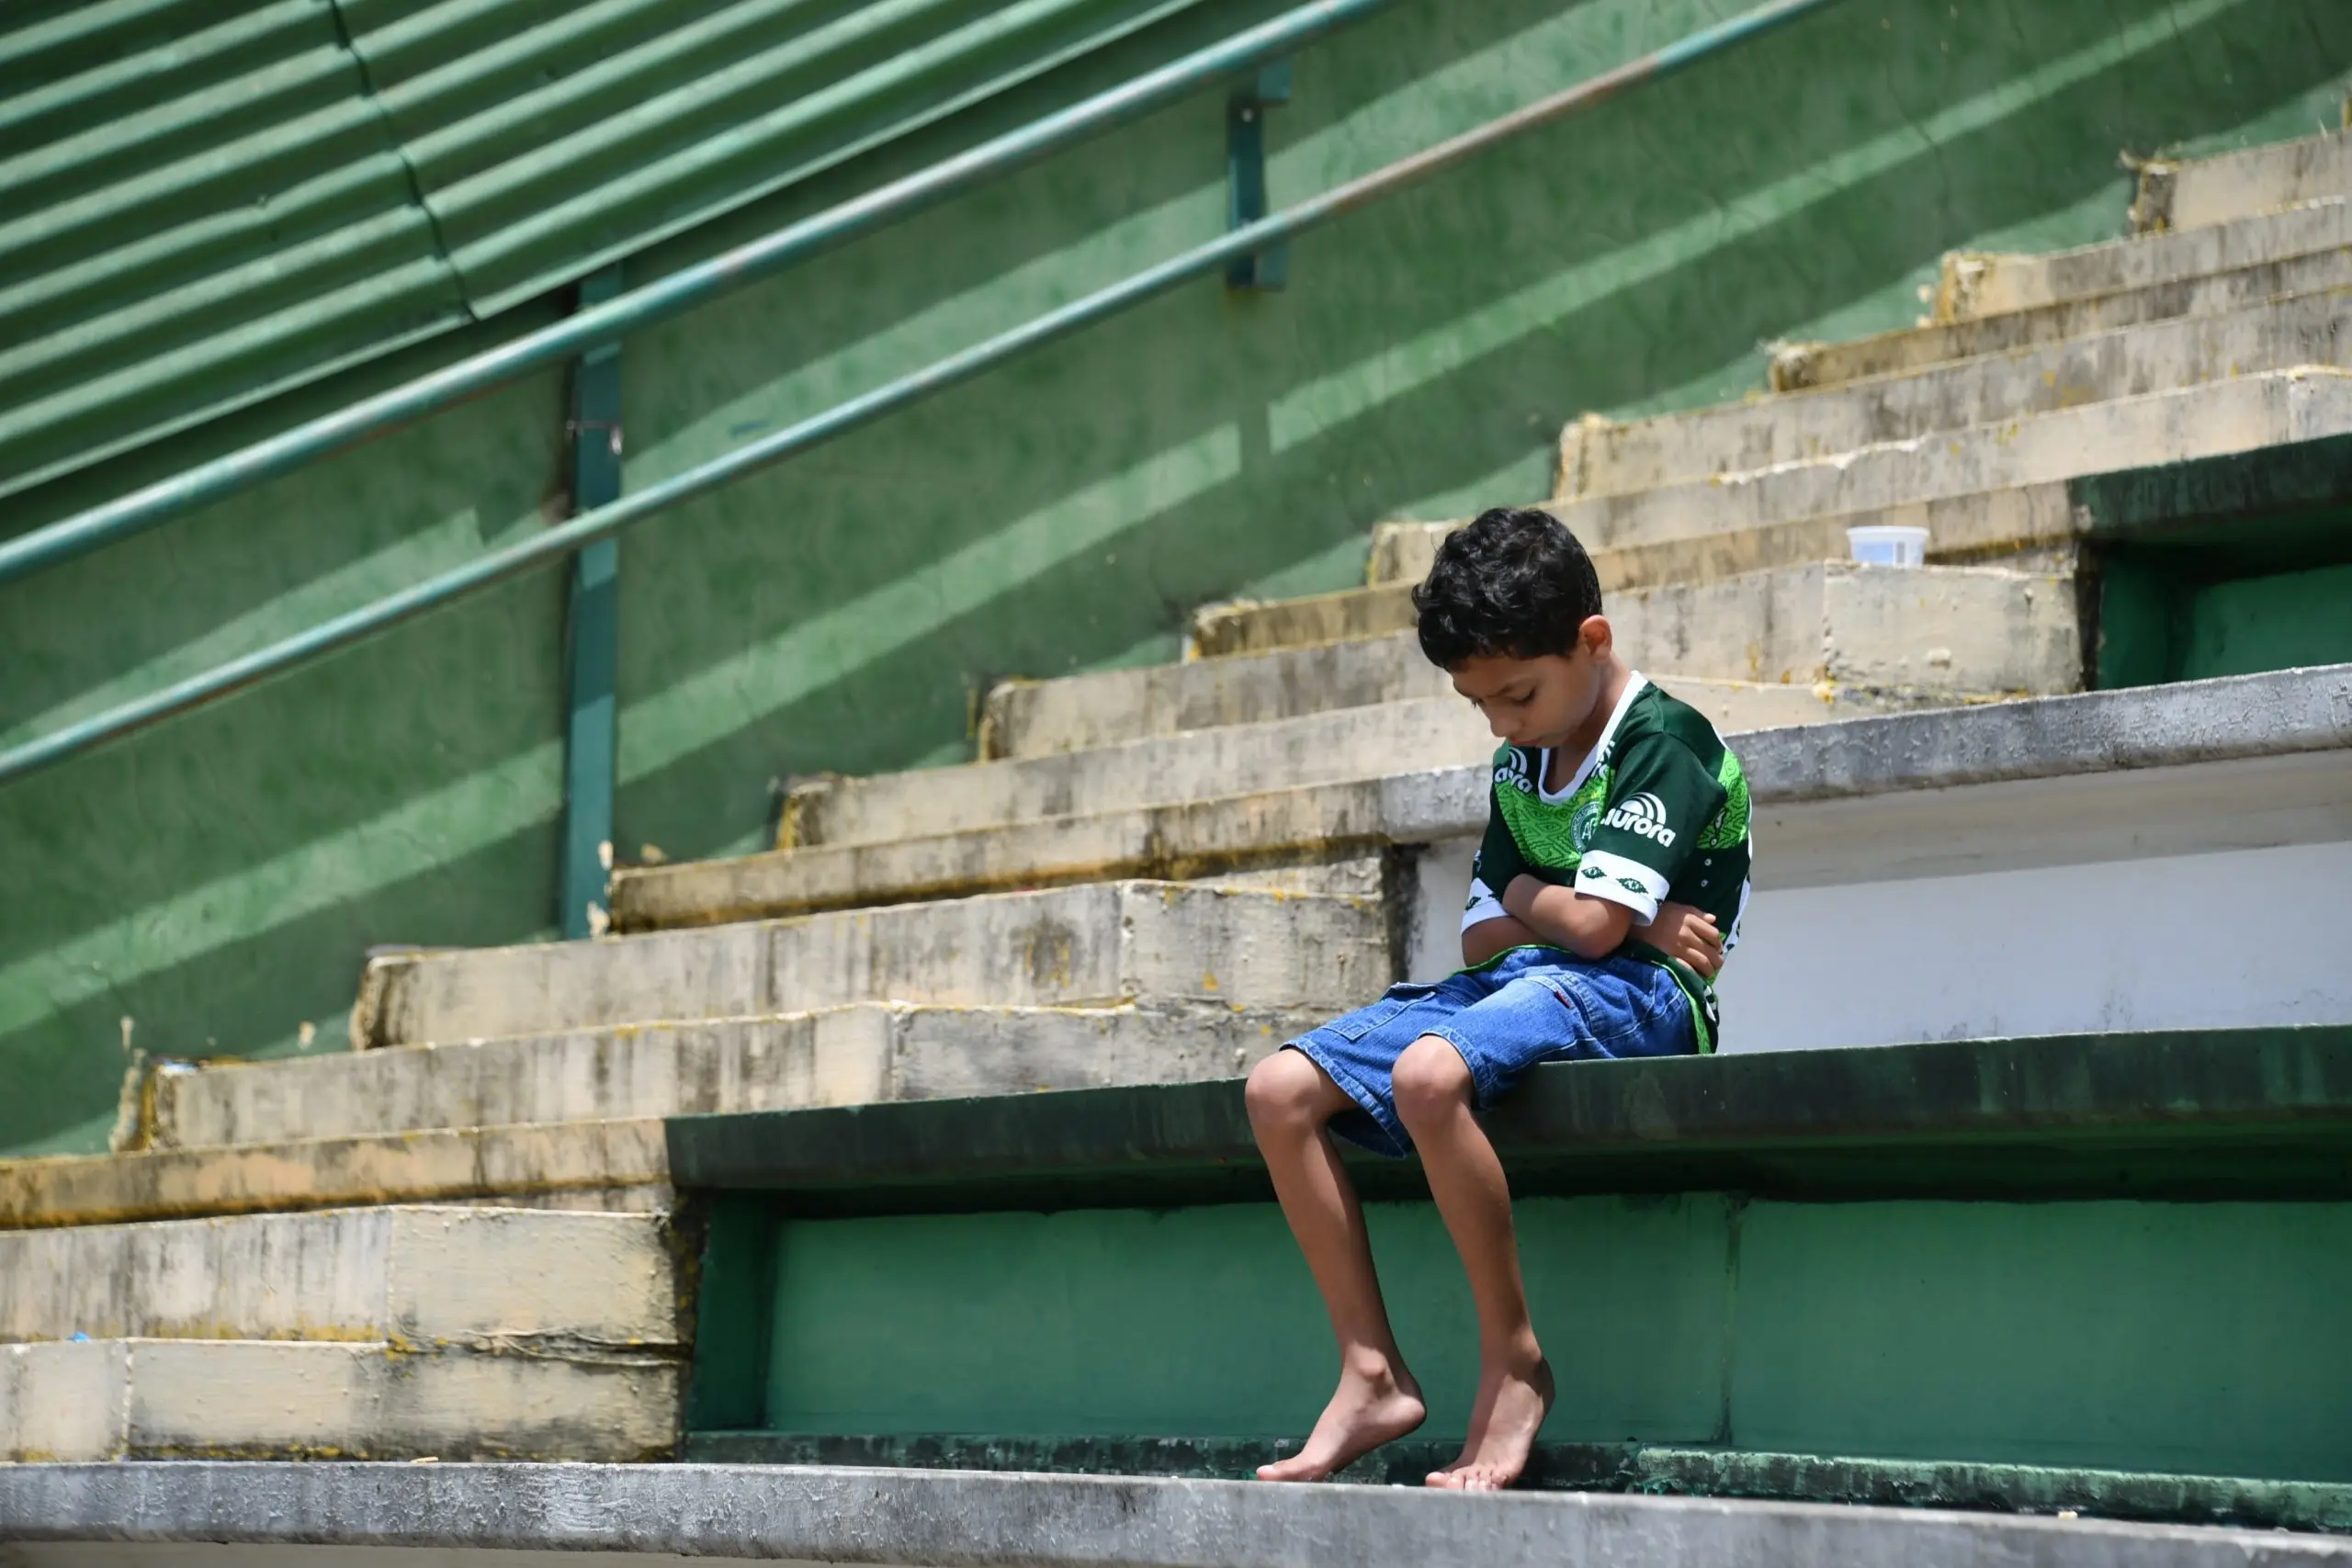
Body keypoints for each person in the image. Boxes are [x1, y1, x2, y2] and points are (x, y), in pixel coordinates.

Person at [1245, 505, 1753, 1491]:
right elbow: (1485, 935)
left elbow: (1601, 939)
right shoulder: (1523, 757)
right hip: (1526, 980)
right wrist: (1582, 908)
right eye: (1480, 705)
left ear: (1590, 641)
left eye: (1516, 694)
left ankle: (1514, 1361)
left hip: (1646, 998)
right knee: (1276, 1090)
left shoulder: (1664, 738)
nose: (1501, 723)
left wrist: (1578, 911)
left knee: (1430, 1075)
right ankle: (1371, 1370)